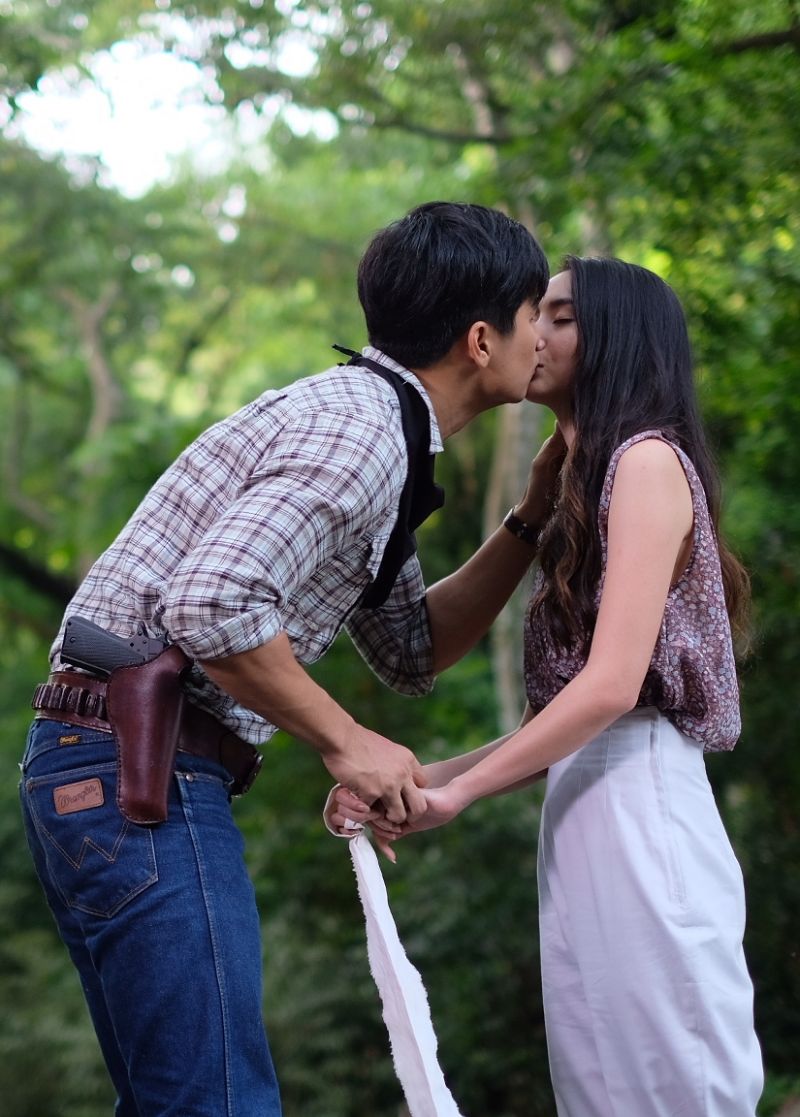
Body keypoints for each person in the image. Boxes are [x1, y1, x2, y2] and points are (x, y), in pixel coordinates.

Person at [18, 201, 568, 1117]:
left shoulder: (378, 432)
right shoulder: (362, 436)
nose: (543, 339)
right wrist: (347, 740)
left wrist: (533, 511)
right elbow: (211, 602)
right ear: (482, 340)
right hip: (141, 769)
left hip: (109, 766)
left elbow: (413, 649)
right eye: (531, 316)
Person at [330, 256, 764, 1115]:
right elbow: (561, 723)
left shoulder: (645, 462)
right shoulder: (581, 484)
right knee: (601, 1086)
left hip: (643, 809)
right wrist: (417, 783)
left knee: (670, 1079)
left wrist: (455, 797)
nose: (534, 330)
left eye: (560, 315)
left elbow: (610, 690)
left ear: (616, 338)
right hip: (585, 808)